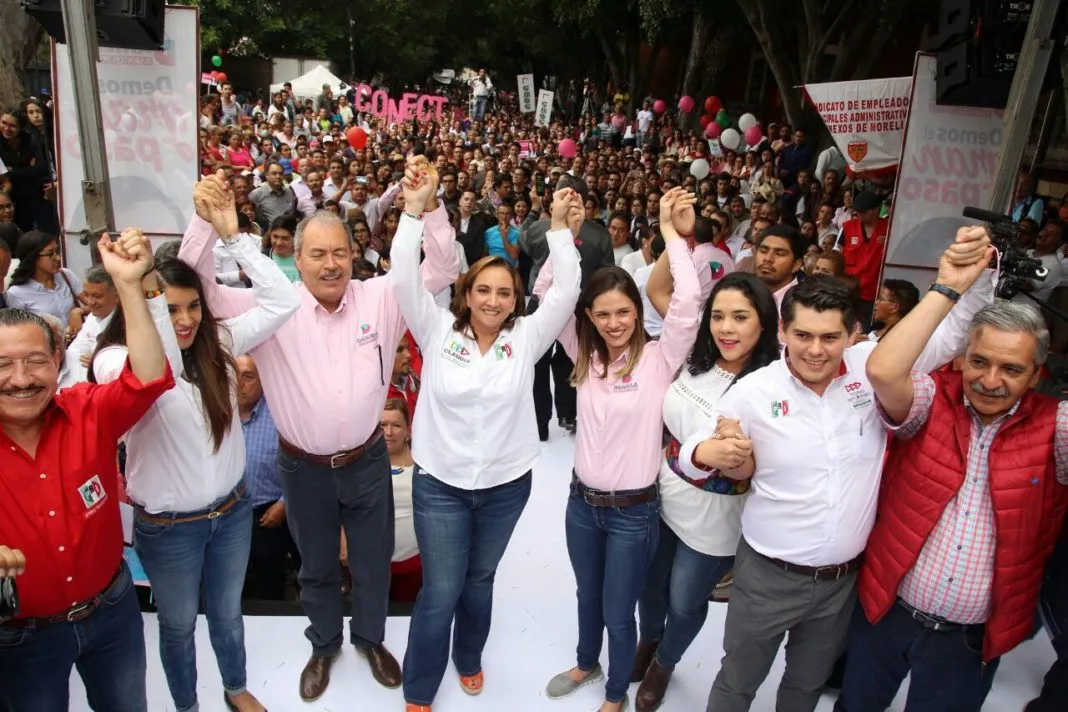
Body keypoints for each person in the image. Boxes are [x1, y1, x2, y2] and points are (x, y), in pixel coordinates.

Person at [179, 164, 459, 701]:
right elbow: (196, 286)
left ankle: (371, 639)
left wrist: (432, 205)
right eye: (318, 254)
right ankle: (325, 643)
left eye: (341, 254)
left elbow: (443, 266)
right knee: (316, 565)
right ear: (296, 259)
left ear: (354, 257)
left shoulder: (384, 295)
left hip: (368, 461)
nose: (331, 265)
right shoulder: (268, 305)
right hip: (301, 468)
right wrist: (205, 221)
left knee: (374, 562)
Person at [691, 229, 995, 712]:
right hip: (767, 576)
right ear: (782, 334)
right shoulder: (752, 391)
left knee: (806, 685)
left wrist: (966, 282)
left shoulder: (872, 366)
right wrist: (707, 449)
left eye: (831, 337)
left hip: (841, 583)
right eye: (804, 335)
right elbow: (698, 445)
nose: (816, 350)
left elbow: (946, 336)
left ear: (853, 334)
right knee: (737, 681)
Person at [92, 201, 299, 712]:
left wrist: (233, 237)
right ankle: (186, 705)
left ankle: (234, 686)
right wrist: (144, 291)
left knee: (228, 614)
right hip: (169, 529)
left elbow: (282, 303)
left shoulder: (221, 342)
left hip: (231, 516)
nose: (183, 319)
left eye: (192, 306)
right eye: (170, 307)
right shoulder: (115, 361)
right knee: (179, 624)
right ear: (140, 308)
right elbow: (157, 368)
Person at [838, 271, 1068, 711]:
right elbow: (884, 369)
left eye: (1012, 369)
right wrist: (948, 288)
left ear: (1038, 375)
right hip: (887, 613)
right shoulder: (932, 398)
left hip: (970, 639)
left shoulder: (1055, 426)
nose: (990, 379)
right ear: (962, 358)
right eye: (979, 361)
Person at [392, 177, 582, 711]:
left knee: (479, 578)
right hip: (441, 486)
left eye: (504, 293)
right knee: (441, 589)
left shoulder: (526, 339)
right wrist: (412, 211)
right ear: (466, 294)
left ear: (515, 299)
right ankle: (420, 684)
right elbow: (403, 278)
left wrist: (562, 230)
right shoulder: (436, 332)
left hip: (504, 487)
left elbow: (567, 292)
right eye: (483, 290)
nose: (494, 301)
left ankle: (469, 657)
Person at [0, 229, 175, 712]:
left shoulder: (87, 411)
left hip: (112, 615)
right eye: (4, 365)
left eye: (35, 360)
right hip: (21, 639)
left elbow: (147, 376)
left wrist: (130, 286)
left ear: (58, 362)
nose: (21, 379)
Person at [544, 187, 703, 712]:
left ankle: (615, 693)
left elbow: (688, 304)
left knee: (619, 611)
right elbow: (549, 292)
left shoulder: (660, 359)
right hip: (581, 507)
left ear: (637, 312)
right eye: (602, 314)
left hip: (635, 514)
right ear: (588, 317)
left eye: (623, 312)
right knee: (587, 597)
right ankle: (586, 662)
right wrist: (562, 233)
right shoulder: (583, 356)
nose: (614, 323)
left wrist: (673, 233)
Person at [632, 273, 782, 712]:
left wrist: (732, 456)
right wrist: (671, 232)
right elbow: (659, 288)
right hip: (659, 499)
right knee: (650, 587)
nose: (726, 328)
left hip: (714, 519)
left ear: (764, 323)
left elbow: (751, 460)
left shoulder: (770, 383)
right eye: (718, 316)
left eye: (740, 317)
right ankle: (648, 638)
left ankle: (664, 662)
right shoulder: (695, 362)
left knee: (684, 600)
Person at [238, 353, 300, 602]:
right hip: (227, 515)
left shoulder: (281, 415)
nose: (239, 383)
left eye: (248, 376)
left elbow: (301, 465)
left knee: (269, 588)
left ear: (264, 380)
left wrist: (284, 504)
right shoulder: (219, 413)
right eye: (236, 375)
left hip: (269, 516)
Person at [382, 398, 421, 604]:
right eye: (383, 426)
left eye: (396, 425)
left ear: (408, 430)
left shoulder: (424, 466)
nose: (388, 432)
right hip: (370, 565)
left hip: (413, 564)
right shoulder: (363, 467)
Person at [6, 231, 84, 333]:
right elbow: (20, 331)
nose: (57, 258)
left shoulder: (66, 275)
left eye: (57, 252)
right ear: (33, 258)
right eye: (50, 254)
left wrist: (78, 311)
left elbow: (94, 302)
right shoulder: (16, 293)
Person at [840, 190, 889, 328]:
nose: (859, 215)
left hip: (874, 293)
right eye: (857, 211)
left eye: (864, 212)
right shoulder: (848, 227)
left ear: (876, 210)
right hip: (848, 292)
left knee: (866, 330)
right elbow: (837, 255)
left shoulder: (889, 228)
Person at [65, 266, 119, 384]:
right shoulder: (91, 319)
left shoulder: (128, 323)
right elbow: (74, 354)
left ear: (116, 295)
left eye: (97, 296)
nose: (90, 302)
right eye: (86, 295)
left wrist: (98, 364)